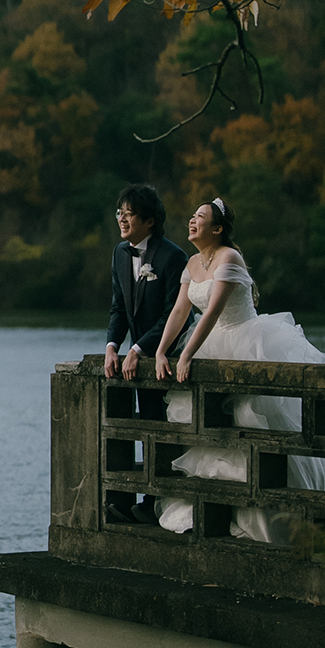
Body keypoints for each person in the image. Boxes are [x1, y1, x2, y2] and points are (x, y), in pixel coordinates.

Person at [152, 197, 325, 558]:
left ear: (218, 229)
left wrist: (187, 354)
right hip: (213, 345)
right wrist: (162, 351)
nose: (192, 222)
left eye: (201, 218)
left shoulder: (229, 258)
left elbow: (212, 312)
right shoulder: (192, 262)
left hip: (246, 342)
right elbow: (181, 310)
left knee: (258, 423)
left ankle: (289, 520)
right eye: (193, 216)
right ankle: (226, 514)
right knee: (216, 436)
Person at [104, 185, 191, 526]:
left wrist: (139, 349)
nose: (122, 219)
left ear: (149, 221)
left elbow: (174, 316)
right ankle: (132, 500)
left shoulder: (173, 257)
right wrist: (113, 346)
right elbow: (118, 309)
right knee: (143, 427)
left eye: (129, 214)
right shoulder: (119, 254)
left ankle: (156, 501)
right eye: (119, 213)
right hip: (136, 359)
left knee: (163, 427)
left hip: (167, 354)